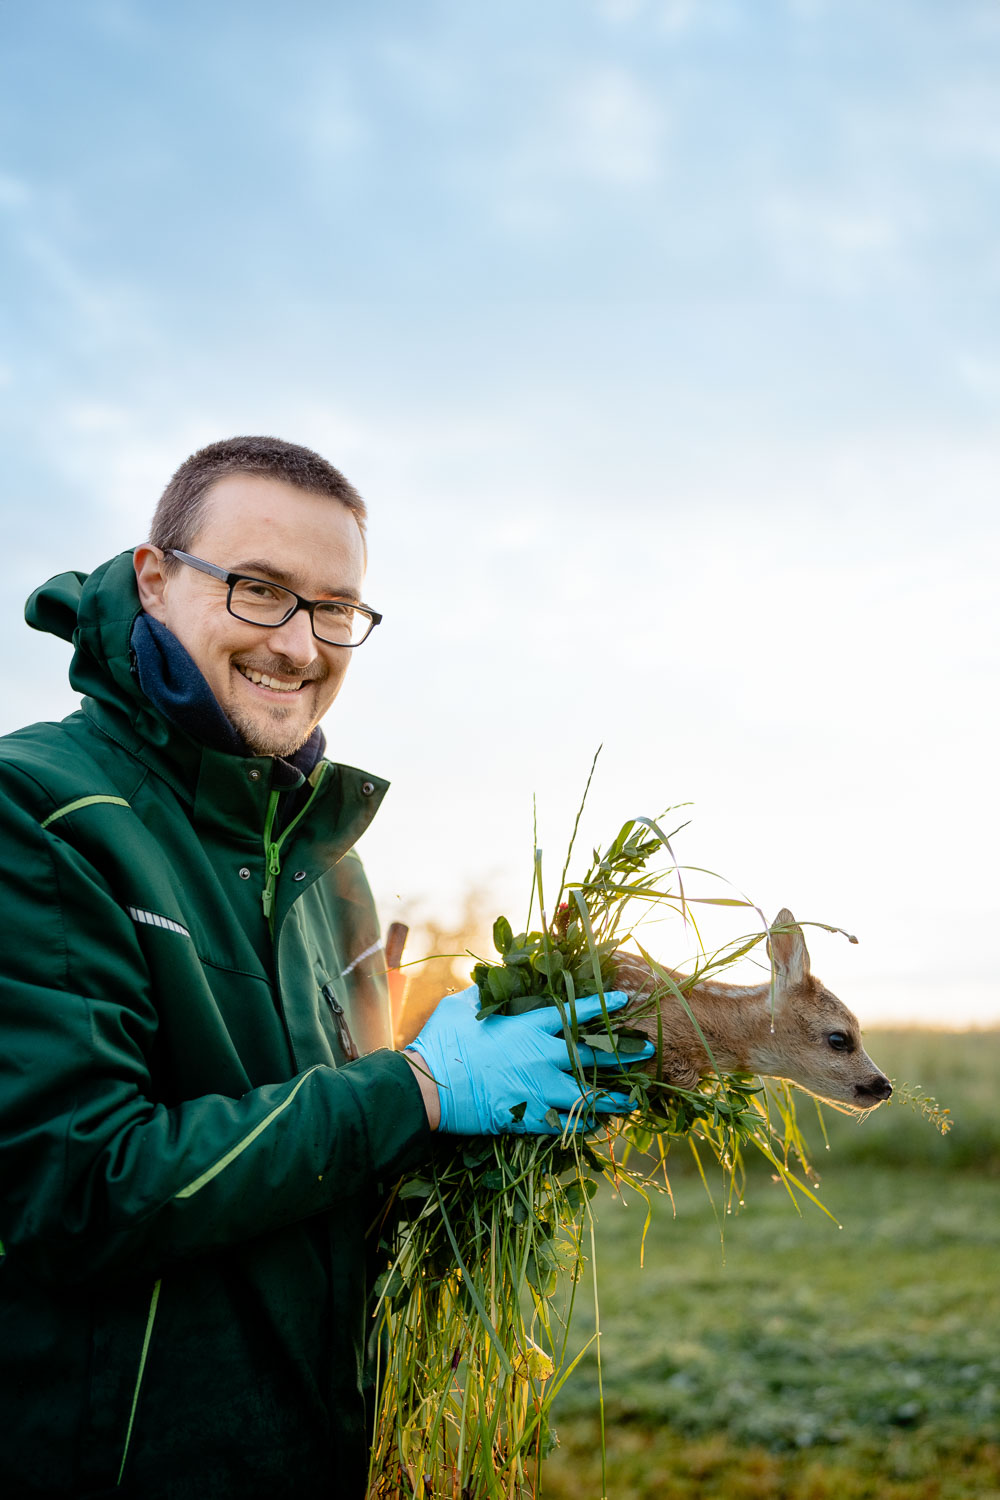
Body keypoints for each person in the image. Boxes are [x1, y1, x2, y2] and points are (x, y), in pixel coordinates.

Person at [0, 436, 645, 1499]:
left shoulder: (328, 869)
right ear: (156, 580)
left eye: (335, 608)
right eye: (259, 591)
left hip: (304, 1447)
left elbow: (331, 1158)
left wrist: (469, 1139)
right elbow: (74, 1190)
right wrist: (417, 1089)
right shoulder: (39, 811)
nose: (301, 645)